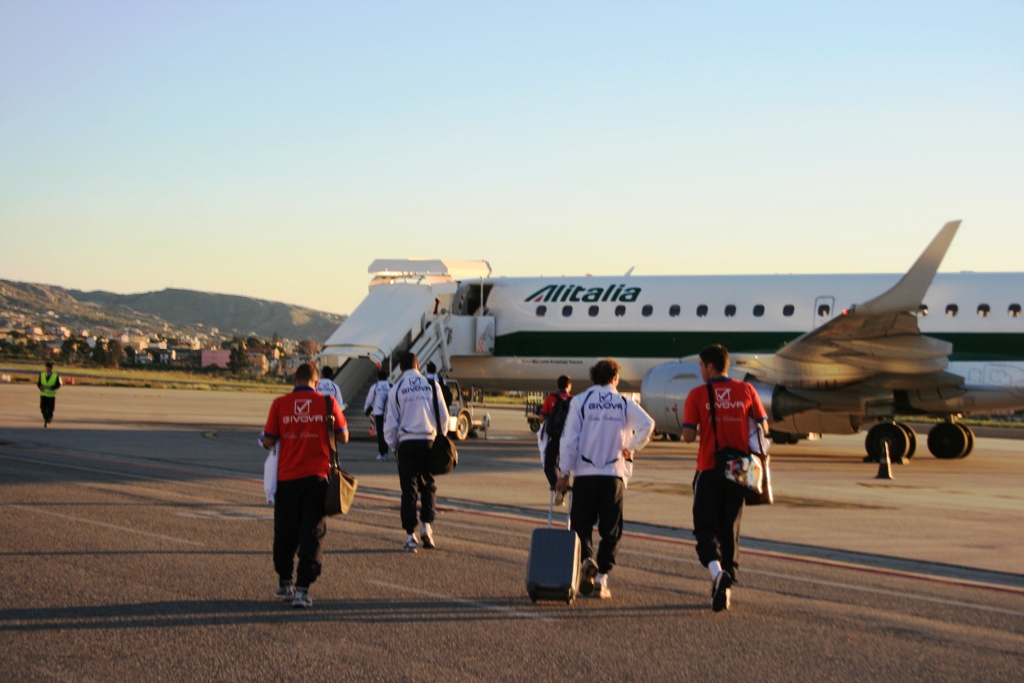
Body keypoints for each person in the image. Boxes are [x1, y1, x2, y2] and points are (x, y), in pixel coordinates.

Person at [555, 359, 654, 600]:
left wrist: (563, 472)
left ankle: (587, 559)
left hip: (586, 474)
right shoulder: (623, 402)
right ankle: (601, 579)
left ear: (593, 377)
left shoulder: (581, 401)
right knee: (611, 530)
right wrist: (631, 447)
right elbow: (648, 424)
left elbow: (569, 440)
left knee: (581, 524)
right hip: (613, 475)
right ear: (615, 378)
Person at [681, 344, 769, 613]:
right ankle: (726, 589)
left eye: (700, 366)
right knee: (730, 530)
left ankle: (716, 572)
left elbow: (688, 436)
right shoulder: (746, 390)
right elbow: (763, 426)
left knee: (705, 528)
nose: (700, 371)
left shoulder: (697, 394)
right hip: (738, 471)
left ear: (708, 366)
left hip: (708, 468)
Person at [261, 362, 348, 609]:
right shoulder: (328, 403)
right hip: (317, 478)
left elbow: (268, 439)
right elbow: (344, 435)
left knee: (285, 531)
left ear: (294, 381)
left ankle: (285, 582)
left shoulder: (279, 404)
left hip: (287, 478)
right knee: (313, 532)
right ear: (317, 382)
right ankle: (303, 589)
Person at [384, 352, 449, 553]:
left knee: (409, 490)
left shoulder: (396, 389)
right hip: (428, 440)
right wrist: (440, 436)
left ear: (401, 368)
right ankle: (427, 527)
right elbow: (444, 416)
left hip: (407, 442)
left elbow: (390, 424)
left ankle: (410, 536)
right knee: (428, 485)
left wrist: (395, 446)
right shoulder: (432, 385)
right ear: (417, 365)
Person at [538, 375, 572, 506]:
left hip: (555, 438)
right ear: (569, 386)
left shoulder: (551, 398)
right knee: (566, 468)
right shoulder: (573, 400)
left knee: (549, 465)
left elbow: (542, 418)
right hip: (568, 438)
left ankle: (556, 486)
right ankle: (562, 491)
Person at [364, 369, 391, 461]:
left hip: (379, 413)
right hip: (390, 414)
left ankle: (383, 453)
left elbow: (369, 400)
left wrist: (366, 411)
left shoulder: (375, 387)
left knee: (381, 434)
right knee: (392, 433)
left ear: (377, 377)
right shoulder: (391, 386)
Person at [37, 361, 61, 428]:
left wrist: (51, 387)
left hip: (51, 395)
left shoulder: (55, 375)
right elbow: (38, 383)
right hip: (43, 394)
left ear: (51, 369)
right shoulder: (42, 374)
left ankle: (47, 422)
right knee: (42, 409)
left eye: (48, 368)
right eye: (46, 368)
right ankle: (46, 420)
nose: (47, 369)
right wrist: (40, 387)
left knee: (50, 410)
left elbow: (58, 385)